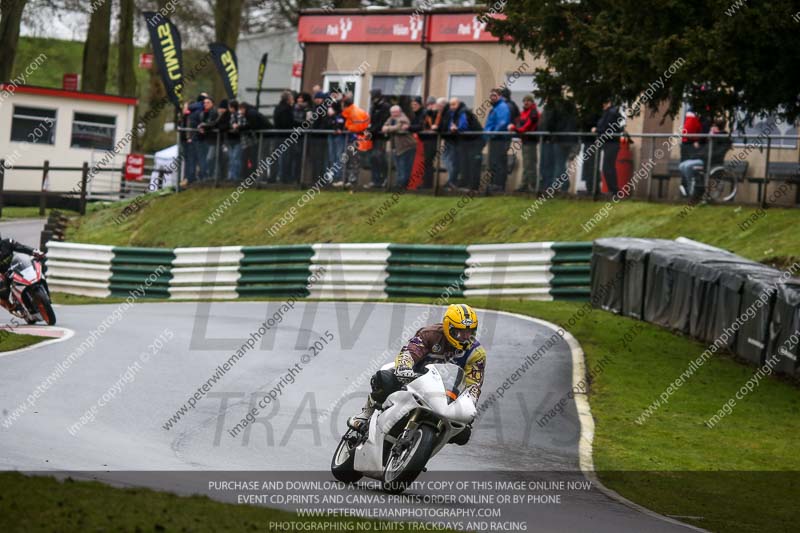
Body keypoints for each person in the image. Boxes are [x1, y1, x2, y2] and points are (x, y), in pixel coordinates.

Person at [347, 304, 486, 440]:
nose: (465, 336)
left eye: (470, 331)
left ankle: (422, 452)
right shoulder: (430, 334)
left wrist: (469, 406)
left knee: (463, 433)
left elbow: (473, 386)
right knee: (385, 377)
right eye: (460, 331)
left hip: (446, 396)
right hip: (414, 381)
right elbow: (410, 351)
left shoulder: (476, 353)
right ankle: (366, 413)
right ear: (448, 327)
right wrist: (404, 367)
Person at [679, 117, 731, 197]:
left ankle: (692, 192)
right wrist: (696, 155)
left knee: (687, 166)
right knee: (682, 166)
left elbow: (717, 153)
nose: (712, 128)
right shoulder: (712, 137)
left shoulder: (722, 138)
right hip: (703, 158)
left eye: (713, 126)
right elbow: (704, 150)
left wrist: (714, 136)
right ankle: (691, 187)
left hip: (710, 161)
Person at [0, 237, 44, 314]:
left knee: (34, 267)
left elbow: (21, 247)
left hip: (17, 266)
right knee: (2, 292)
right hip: (4, 275)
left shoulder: (7, 242)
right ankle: (11, 307)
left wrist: (34, 251)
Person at [335, 97, 371, 188]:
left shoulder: (355, 113)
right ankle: (345, 180)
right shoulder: (350, 112)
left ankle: (352, 181)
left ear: (344, 105)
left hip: (356, 140)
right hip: (352, 140)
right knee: (347, 160)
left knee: (353, 161)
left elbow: (359, 127)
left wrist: (348, 129)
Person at [593, 99, 624, 195]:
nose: (602, 105)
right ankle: (612, 189)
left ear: (609, 103)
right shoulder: (608, 113)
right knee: (607, 167)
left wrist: (597, 130)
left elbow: (607, 127)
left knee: (608, 167)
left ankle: (614, 190)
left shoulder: (611, 113)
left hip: (611, 143)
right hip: (609, 143)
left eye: (604, 103)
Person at [510, 94, 540, 192]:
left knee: (530, 164)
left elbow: (526, 127)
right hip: (525, 141)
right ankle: (524, 184)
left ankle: (532, 186)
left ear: (532, 102)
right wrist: (515, 127)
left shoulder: (534, 113)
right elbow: (518, 123)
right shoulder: (524, 113)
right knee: (526, 163)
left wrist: (514, 129)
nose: (526, 102)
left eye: (528, 101)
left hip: (530, 141)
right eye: (524, 101)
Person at [382, 105, 416, 189]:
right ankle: (399, 184)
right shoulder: (390, 119)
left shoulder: (403, 118)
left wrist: (388, 128)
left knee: (404, 167)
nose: (393, 114)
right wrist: (389, 128)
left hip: (406, 146)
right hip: (396, 147)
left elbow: (398, 128)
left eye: (395, 112)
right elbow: (383, 127)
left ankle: (403, 185)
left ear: (399, 111)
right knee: (398, 167)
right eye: (392, 112)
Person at [484, 88, 512, 192]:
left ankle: (498, 185)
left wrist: (492, 133)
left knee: (498, 163)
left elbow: (502, 123)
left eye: (494, 95)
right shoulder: (496, 107)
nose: (492, 97)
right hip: (495, 139)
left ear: (500, 96)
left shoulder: (502, 107)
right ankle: (494, 184)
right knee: (494, 163)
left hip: (499, 139)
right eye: (491, 95)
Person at [678, 106, 707, 197]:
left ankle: (688, 189)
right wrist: (696, 140)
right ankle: (689, 189)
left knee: (687, 166)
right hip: (690, 144)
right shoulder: (695, 116)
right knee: (686, 166)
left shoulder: (691, 115)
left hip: (687, 143)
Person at [190, 96, 218, 181]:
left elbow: (213, 123)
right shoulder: (202, 113)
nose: (205, 104)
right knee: (204, 158)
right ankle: (205, 176)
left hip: (213, 139)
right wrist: (201, 128)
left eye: (208, 102)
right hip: (204, 139)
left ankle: (211, 176)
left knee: (210, 158)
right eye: (204, 103)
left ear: (212, 103)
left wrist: (204, 126)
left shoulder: (214, 112)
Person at [368, 89, 391, 188]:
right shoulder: (373, 107)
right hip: (373, 136)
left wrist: (372, 130)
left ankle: (384, 178)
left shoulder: (385, 107)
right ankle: (375, 179)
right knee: (373, 158)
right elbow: (372, 121)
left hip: (381, 136)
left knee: (379, 156)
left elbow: (382, 121)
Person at [273, 90, 295, 183]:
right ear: (288, 99)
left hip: (278, 135)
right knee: (285, 158)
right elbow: (288, 122)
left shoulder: (277, 108)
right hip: (286, 136)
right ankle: (284, 178)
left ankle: (275, 177)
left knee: (278, 158)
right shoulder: (287, 109)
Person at [326, 100, 347, 184]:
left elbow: (340, 125)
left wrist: (336, 127)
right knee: (332, 157)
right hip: (331, 136)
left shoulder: (341, 115)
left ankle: (339, 177)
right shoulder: (329, 116)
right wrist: (331, 117)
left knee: (339, 156)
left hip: (339, 138)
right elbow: (327, 125)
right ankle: (332, 177)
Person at [226, 100, 242, 181]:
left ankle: (236, 176)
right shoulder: (231, 115)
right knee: (232, 158)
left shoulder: (237, 115)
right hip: (232, 139)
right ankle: (231, 175)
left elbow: (238, 126)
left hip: (236, 140)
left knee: (235, 158)